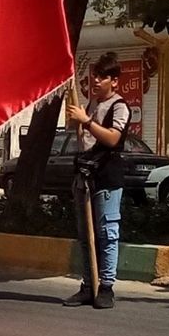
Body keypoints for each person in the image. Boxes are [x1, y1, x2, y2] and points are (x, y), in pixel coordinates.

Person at [63, 52, 130, 310]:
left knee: (106, 233)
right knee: (85, 235)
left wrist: (87, 121)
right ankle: (88, 284)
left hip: (107, 177)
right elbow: (79, 134)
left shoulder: (119, 106)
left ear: (114, 81)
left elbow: (112, 139)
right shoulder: (90, 104)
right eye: (95, 77)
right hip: (84, 175)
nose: (97, 81)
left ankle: (107, 287)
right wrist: (77, 119)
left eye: (102, 77)